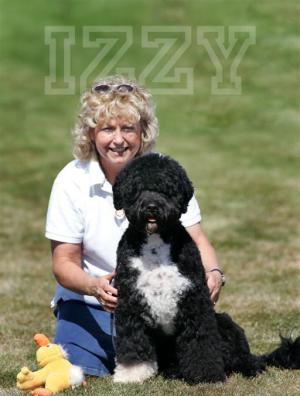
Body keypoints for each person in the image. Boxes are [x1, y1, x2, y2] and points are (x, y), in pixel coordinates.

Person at [45, 75, 225, 377]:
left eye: (128, 128)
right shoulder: (71, 180)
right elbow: (63, 261)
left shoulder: (167, 173)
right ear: (91, 133)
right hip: (92, 304)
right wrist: (94, 286)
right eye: (107, 129)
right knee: (79, 369)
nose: (118, 139)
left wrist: (215, 273)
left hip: (162, 302)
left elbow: (197, 238)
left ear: (143, 132)